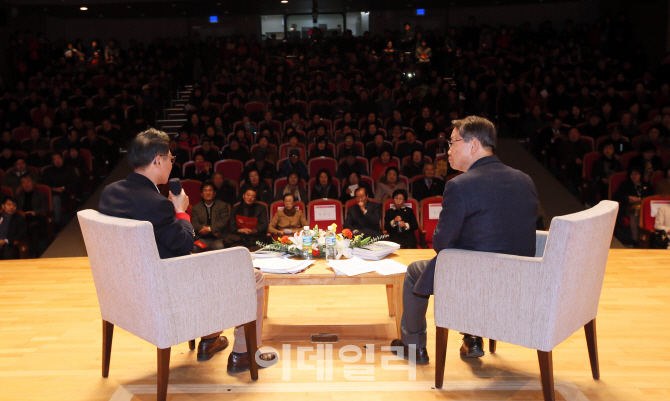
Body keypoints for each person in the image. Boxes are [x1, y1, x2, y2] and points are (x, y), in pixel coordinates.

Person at [98, 129, 276, 371]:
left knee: (218, 266)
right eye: (171, 159)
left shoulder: (109, 192)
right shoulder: (157, 204)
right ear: (158, 161)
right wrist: (180, 210)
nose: (172, 164)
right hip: (168, 288)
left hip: (126, 290)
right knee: (252, 275)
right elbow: (184, 245)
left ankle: (210, 338)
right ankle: (244, 353)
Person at [390, 116, 538, 364]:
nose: (448, 150)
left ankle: (413, 346)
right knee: (475, 254)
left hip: (476, 281)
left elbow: (441, 243)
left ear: (473, 145)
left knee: (416, 271)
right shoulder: (525, 179)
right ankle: (472, 337)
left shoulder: (460, 185)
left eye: (452, 142)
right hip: (516, 282)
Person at [613, 166, 654, 245]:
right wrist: (628, 197)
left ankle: (649, 240)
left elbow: (651, 197)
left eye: (636, 174)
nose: (634, 176)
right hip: (629, 208)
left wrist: (643, 200)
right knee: (635, 214)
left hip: (645, 208)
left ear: (641, 175)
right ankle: (636, 239)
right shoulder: (625, 184)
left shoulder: (647, 185)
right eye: (632, 174)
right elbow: (615, 196)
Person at [191, 181, 229, 253]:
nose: (208, 193)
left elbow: (223, 222)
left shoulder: (223, 206)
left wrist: (209, 229)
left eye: (210, 190)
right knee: (193, 248)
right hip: (202, 238)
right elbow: (195, 224)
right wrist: (210, 231)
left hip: (218, 239)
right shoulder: (196, 207)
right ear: (201, 194)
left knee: (220, 247)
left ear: (214, 193)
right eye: (205, 191)